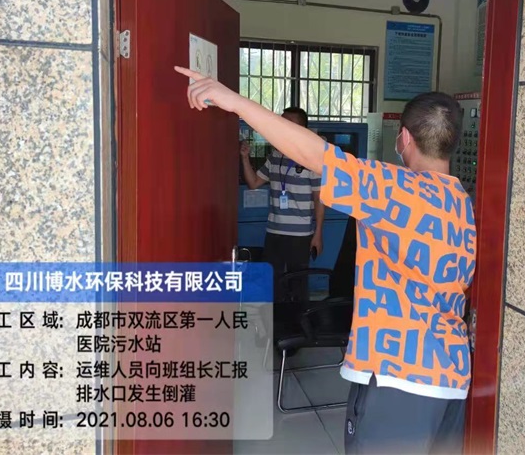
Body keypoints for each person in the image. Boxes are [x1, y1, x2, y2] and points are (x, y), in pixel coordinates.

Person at [176, 66, 476, 455]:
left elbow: (317, 154)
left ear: (404, 138)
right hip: (451, 376)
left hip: (398, 378)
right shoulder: (463, 201)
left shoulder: (394, 188)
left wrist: (232, 101)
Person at [239, 106, 324, 303]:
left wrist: (318, 233)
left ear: (301, 129)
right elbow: (254, 183)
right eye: (281, 122)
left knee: (298, 283)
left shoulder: (311, 158)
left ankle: (300, 319)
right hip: (274, 231)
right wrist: (245, 158)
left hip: (300, 235)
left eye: (288, 123)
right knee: (272, 281)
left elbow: (318, 198)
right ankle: (277, 319)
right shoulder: (275, 157)